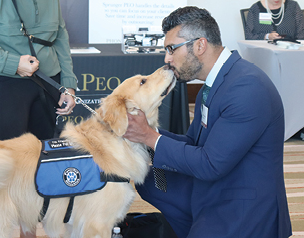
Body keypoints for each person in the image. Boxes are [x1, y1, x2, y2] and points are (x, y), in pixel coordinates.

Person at [124, 6, 292, 238]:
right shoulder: (216, 82)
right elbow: (193, 142)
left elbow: (209, 164)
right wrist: (146, 132)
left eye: (171, 49)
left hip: (241, 204)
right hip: (217, 183)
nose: (167, 59)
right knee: (149, 181)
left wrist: (150, 137)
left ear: (200, 45)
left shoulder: (247, 88)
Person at [0, 0, 77, 237]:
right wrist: (10, 63)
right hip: (6, 79)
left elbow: (60, 33)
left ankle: (29, 231)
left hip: (48, 79)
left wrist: (68, 84)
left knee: (38, 165)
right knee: (5, 166)